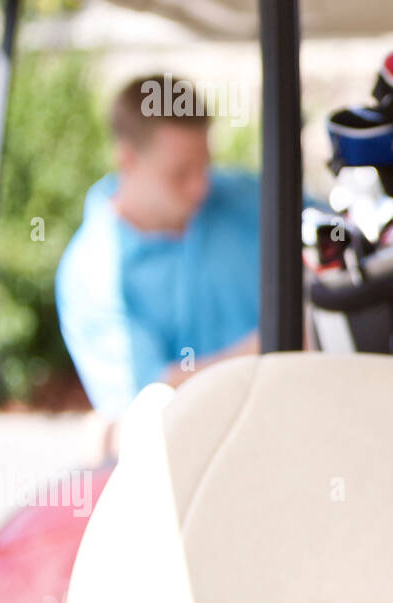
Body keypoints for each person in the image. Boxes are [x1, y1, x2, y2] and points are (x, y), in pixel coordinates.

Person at [56, 74, 261, 452]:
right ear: (128, 160)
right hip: (203, 466)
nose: (200, 186)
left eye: (205, 166)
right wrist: (265, 350)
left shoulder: (243, 194)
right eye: (180, 174)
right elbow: (142, 406)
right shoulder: (93, 274)